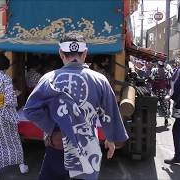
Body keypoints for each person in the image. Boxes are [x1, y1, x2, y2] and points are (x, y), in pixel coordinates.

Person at [23, 32, 128, 179]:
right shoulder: (100, 80)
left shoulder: (48, 79)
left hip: (57, 145)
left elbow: (31, 110)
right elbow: (110, 113)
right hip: (88, 146)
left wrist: (52, 127)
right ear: (85, 53)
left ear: (61, 53)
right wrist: (110, 138)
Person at [0, 54, 29, 180]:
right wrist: (16, 95)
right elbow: (9, 100)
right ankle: (21, 165)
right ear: (5, 65)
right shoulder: (5, 78)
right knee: (13, 140)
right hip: (4, 115)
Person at [149, 60, 172, 126]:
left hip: (155, 91)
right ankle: (166, 121)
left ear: (157, 65)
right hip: (163, 91)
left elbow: (151, 80)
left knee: (154, 106)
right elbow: (168, 83)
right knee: (165, 106)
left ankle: (154, 121)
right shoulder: (167, 72)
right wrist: (168, 92)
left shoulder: (154, 71)